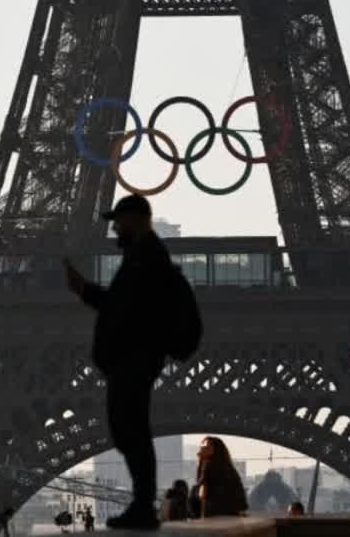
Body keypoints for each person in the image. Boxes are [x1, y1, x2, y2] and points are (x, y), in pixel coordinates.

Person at [64, 195, 176, 530]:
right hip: (133, 357)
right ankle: (142, 503)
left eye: (119, 221)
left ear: (138, 220)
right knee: (128, 429)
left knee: (130, 429)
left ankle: (143, 505)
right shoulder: (140, 256)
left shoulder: (146, 258)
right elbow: (122, 304)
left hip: (135, 357)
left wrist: (85, 290)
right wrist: (85, 289)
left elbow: (124, 307)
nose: (114, 227)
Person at [194, 437, 247, 518]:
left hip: (219, 511)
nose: (203, 449)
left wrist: (201, 461)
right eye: (203, 447)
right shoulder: (226, 466)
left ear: (216, 450)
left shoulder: (213, 466)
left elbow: (202, 487)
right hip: (227, 512)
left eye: (207, 447)